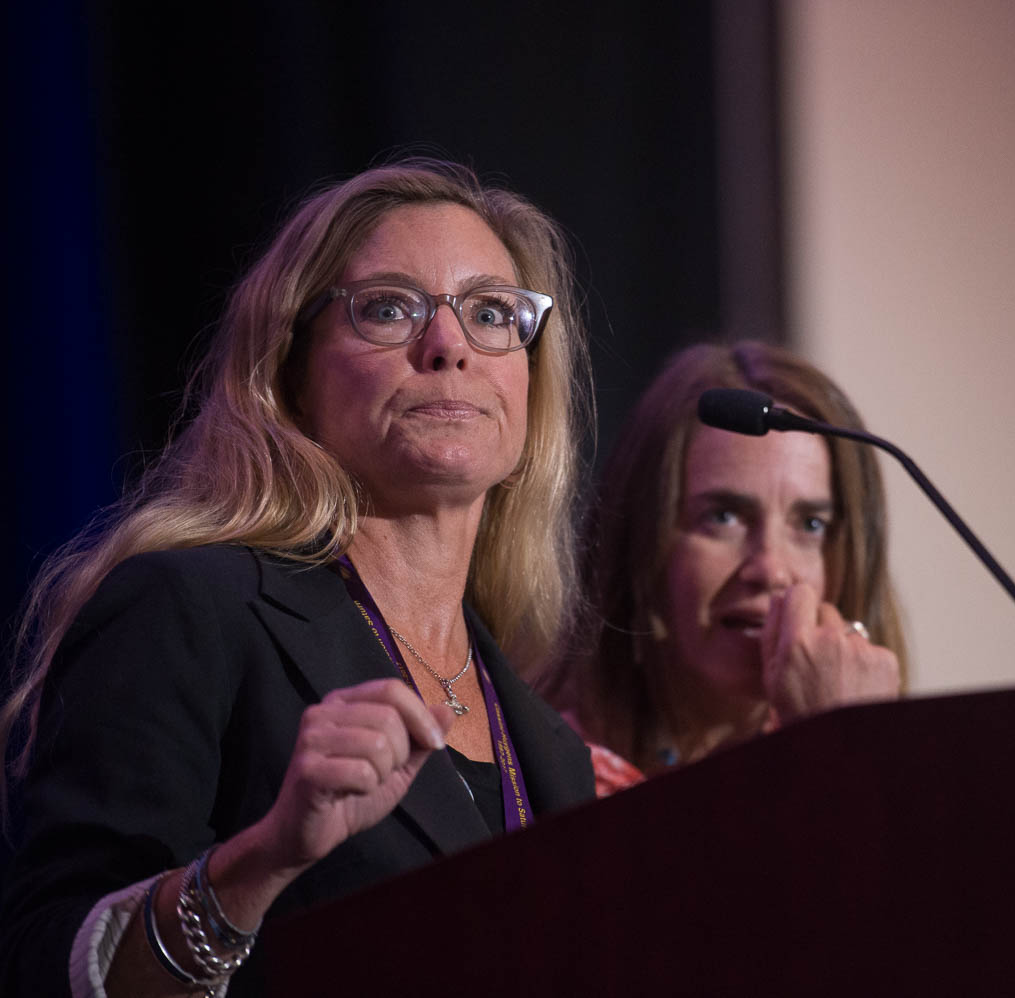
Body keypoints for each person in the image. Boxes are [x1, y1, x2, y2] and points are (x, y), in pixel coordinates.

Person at [0, 159, 595, 997]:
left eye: (492, 313)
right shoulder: (186, 612)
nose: (448, 346)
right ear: (291, 375)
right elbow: (44, 969)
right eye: (389, 308)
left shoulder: (553, 752)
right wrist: (257, 864)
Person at [541, 341, 906, 795]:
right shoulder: (554, 780)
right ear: (642, 540)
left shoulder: (915, 762)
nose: (771, 569)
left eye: (811, 524)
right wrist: (834, 746)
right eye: (723, 517)